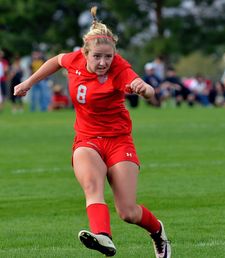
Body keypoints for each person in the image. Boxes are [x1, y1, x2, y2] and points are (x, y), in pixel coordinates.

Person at [14, 6, 171, 258]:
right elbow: (56, 61)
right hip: (87, 139)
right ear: (85, 53)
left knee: (128, 212)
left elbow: (151, 94)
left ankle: (158, 232)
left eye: (108, 57)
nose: (102, 63)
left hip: (119, 141)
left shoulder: (119, 68)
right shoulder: (74, 60)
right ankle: (103, 237)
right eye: (97, 56)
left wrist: (146, 89)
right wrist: (29, 83)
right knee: (91, 185)